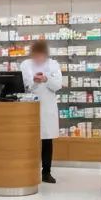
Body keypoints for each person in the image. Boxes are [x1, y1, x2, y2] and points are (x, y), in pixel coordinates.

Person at [20, 39, 63, 184]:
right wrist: (34, 81)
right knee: (29, 140)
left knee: (46, 140)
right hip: (29, 106)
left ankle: (46, 172)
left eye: (41, 53)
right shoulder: (25, 65)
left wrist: (46, 79)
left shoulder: (54, 64)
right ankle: (28, 171)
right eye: (36, 53)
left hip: (47, 106)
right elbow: (24, 85)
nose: (38, 57)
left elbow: (58, 85)